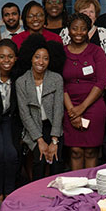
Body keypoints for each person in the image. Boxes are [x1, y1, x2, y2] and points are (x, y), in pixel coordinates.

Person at [15, 34, 65, 179]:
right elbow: (25, 115)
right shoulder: (21, 82)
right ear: (30, 57)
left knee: (56, 160)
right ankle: (38, 197)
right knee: (40, 161)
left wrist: (54, 140)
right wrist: (40, 141)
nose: (41, 62)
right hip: (33, 129)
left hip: (53, 127)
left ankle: (57, 198)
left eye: (45, 58)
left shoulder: (56, 79)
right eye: (37, 57)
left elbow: (58, 111)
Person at [63, 12, 106, 170]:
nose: (79, 32)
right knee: (75, 151)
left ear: (88, 30)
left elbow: (101, 82)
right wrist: (72, 111)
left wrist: (81, 108)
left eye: (83, 29)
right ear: (68, 30)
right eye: (75, 28)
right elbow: (60, 84)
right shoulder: (62, 53)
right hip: (69, 105)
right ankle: (77, 188)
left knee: (90, 151)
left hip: (93, 107)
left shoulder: (96, 52)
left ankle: (91, 190)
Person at [0, 39, 22, 208]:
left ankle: (9, 191)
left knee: (11, 153)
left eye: (10, 56)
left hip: (11, 120)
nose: (6, 60)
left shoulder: (19, 77)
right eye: (2, 57)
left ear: (16, 58)